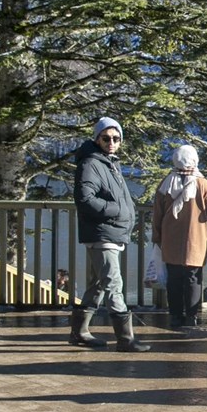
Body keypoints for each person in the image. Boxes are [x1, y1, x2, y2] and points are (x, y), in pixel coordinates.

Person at [69, 117, 149, 352]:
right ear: (97, 138)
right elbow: (85, 200)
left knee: (97, 284)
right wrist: (116, 211)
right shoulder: (91, 164)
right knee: (114, 283)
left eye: (116, 138)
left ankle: (79, 332)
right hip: (101, 234)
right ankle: (125, 339)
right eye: (106, 138)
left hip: (110, 233)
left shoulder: (108, 163)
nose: (111, 142)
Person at [151, 145, 207, 328]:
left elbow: (157, 213)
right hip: (196, 239)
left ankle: (175, 315)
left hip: (170, 238)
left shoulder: (166, 182)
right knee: (193, 278)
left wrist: (157, 236)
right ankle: (191, 316)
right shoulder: (203, 184)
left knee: (173, 278)